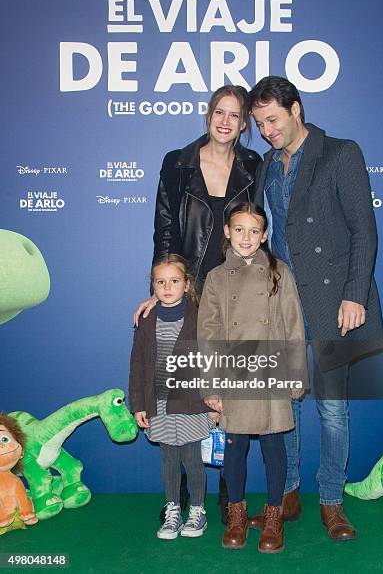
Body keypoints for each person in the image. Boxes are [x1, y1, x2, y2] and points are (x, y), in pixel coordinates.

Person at [250, 75, 383, 540]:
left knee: (332, 409)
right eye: (260, 123)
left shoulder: (341, 153)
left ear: (296, 109)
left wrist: (355, 293)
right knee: (285, 403)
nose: (267, 130)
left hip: (333, 302)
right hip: (284, 304)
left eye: (272, 120)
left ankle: (331, 501)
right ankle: (287, 495)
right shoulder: (267, 165)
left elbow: (364, 232)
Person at [134, 85, 262, 522]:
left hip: (234, 290)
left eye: (235, 115)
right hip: (189, 294)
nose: (226, 121)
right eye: (219, 112)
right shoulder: (177, 162)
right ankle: (184, 499)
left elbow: (257, 229)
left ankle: (231, 499)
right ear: (207, 116)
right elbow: (164, 227)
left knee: (230, 394)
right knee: (184, 393)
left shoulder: (253, 165)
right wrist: (161, 287)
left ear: (245, 123)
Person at [198, 202, 307, 553]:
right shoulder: (215, 278)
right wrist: (211, 384)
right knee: (236, 446)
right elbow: (209, 334)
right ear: (227, 232)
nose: (246, 237)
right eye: (239, 229)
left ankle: (274, 516)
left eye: (254, 231)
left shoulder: (280, 271)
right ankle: (237, 514)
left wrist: (296, 374)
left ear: (264, 236)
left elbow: (293, 326)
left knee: (275, 445)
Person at [129, 253, 216, 540]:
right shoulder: (145, 319)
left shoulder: (200, 315)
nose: (167, 287)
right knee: (168, 459)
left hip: (192, 402)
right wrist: (138, 405)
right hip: (160, 404)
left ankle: (198, 511)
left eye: (174, 281)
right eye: (160, 282)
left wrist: (216, 401)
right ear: (152, 286)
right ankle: (173, 510)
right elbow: (138, 364)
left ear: (187, 284)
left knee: (192, 459)